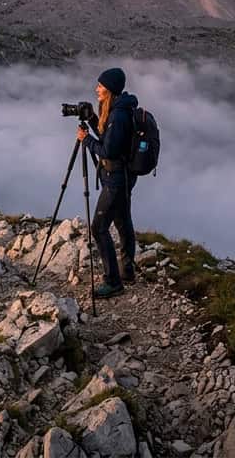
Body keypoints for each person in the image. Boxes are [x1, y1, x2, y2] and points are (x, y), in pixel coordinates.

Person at [76, 67, 138, 298]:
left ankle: (113, 281)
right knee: (123, 221)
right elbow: (109, 139)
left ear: (110, 89)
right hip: (121, 177)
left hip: (115, 180)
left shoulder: (118, 115)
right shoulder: (118, 108)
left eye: (100, 86)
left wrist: (86, 141)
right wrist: (93, 119)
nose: (96, 89)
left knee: (99, 228)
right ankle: (127, 271)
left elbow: (107, 150)